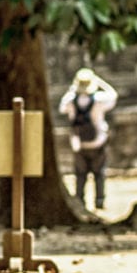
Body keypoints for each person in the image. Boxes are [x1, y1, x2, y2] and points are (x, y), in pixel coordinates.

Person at [59, 68, 117, 210]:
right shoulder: (99, 99)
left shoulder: (70, 101)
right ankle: (99, 201)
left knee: (80, 175)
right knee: (99, 174)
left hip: (78, 143)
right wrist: (99, 82)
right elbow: (113, 95)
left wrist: (73, 89)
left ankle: (80, 201)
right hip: (98, 141)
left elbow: (62, 108)